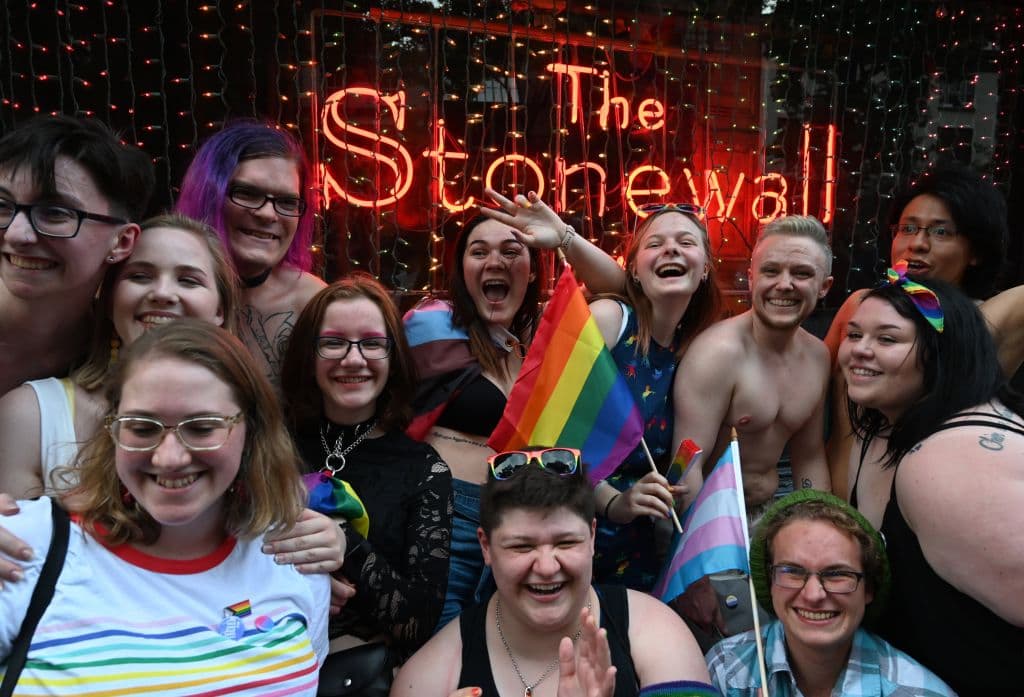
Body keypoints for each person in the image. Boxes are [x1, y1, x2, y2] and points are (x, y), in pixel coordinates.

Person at [0, 320, 330, 694]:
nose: (169, 457)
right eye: (142, 427)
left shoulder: (293, 558)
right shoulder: (26, 547)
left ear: (251, 430)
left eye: (203, 427)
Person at [480, 191, 722, 591]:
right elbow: (545, 431)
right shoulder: (609, 320)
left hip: (640, 552)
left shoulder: (695, 351)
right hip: (559, 538)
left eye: (686, 243)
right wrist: (615, 501)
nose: (671, 251)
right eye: (656, 244)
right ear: (636, 273)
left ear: (706, 270)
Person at [392, 451, 717, 697]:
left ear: (592, 538)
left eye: (565, 543)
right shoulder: (427, 679)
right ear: (486, 547)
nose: (547, 567)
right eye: (522, 547)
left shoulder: (657, 635)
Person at [839, 272, 1024, 693]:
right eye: (853, 334)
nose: (859, 351)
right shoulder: (882, 428)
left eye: (887, 340)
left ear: (941, 354)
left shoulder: (951, 458)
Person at [0, 214, 238, 499]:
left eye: (188, 280)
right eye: (139, 276)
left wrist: (299, 531)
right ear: (110, 299)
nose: (162, 293)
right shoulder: (31, 416)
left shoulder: (248, 418)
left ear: (219, 312)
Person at [824, 164, 1024, 498]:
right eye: (907, 228)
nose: (917, 243)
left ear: (976, 251)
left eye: (941, 232)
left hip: (924, 508)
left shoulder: (987, 322)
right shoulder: (860, 307)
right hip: (842, 501)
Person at [281, 275, 452, 659]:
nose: (353, 358)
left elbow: (418, 623)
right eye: (333, 342)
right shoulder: (270, 444)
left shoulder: (424, 470)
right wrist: (311, 583)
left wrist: (345, 544)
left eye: (372, 343)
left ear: (393, 359)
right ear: (309, 356)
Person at [403, 212, 546, 628]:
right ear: (462, 269)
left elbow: (621, 292)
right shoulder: (432, 324)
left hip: (515, 522)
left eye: (511, 251)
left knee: (497, 652)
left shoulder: (534, 345)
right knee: (439, 647)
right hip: (448, 514)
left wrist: (564, 239)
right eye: (478, 251)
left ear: (532, 271)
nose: (494, 261)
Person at [705, 490, 954, 696]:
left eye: (837, 574)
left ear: (868, 589)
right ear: (769, 582)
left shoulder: (918, 692)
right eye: (793, 571)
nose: (813, 595)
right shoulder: (725, 670)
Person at [672, 215, 833, 520]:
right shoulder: (718, 354)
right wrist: (706, 552)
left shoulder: (817, 356)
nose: (784, 285)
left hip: (769, 513)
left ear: (824, 286)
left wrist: (817, 527)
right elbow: (686, 465)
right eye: (771, 271)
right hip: (709, 520)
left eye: (801, 273)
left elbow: (809, 456)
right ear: (751, 277)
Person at [0, 114, 153, 396]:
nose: (15, 235)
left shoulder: (119, 350)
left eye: (55, 213)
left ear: (121, 241)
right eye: (3, 206)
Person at [177, 119, 326, 384]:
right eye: (247, 193)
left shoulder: (314, 304)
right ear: (209, 194)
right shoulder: (160, 289)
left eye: (286, 201)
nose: (268, 214)